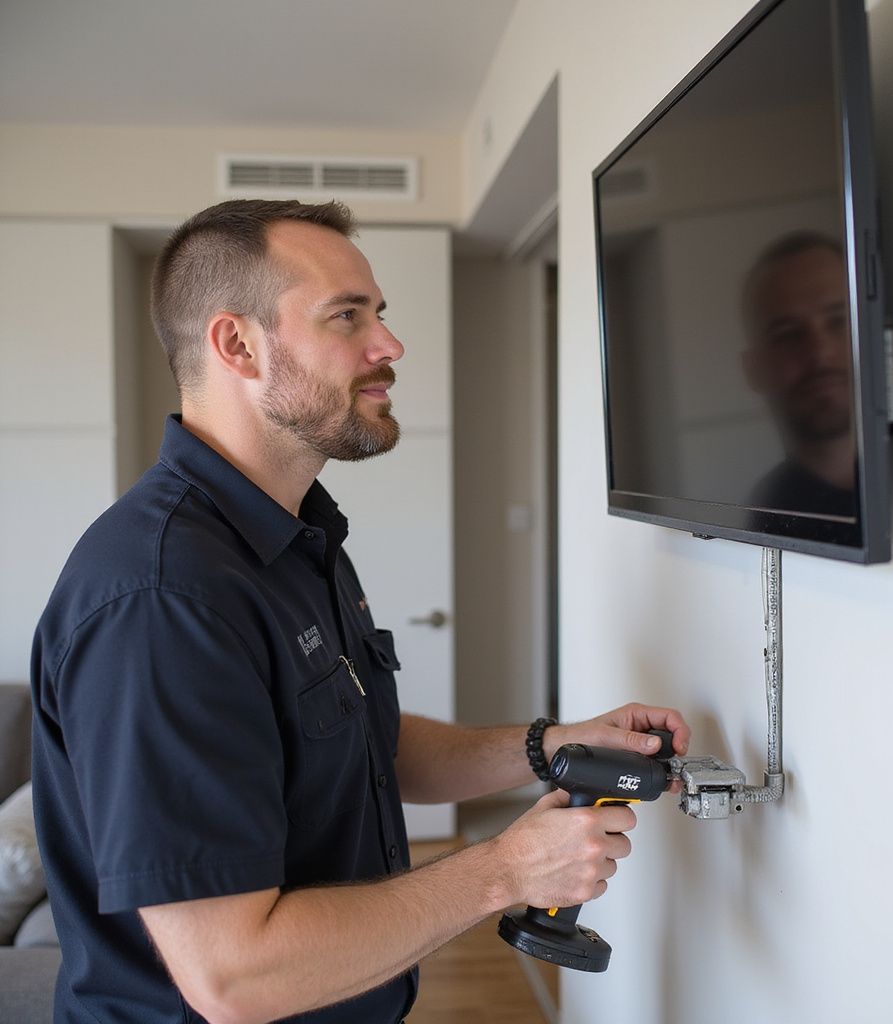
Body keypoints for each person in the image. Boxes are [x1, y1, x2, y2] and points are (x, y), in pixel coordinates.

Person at [30, 199, 690, 1024]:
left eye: (379, 313)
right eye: (348, 317)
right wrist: (506, 871)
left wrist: (551, 746)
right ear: (237, 344)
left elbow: (364, 742)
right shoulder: (163, 598)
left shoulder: (296, 534)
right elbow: (236, 977)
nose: (390, 346)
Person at [741, 231, 858, 519]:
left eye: (838, 321)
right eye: (788, 334)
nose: (820, 352)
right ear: (754, 369)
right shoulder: (765, 518)